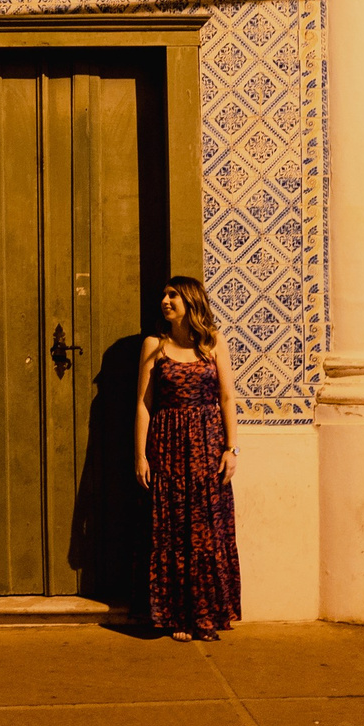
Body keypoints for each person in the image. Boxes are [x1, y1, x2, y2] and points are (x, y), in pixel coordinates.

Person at [135, 274, 241, 641]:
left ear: (191, 301)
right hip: (167, 445)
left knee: (207, 529)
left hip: (208, 445)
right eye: (164, 294)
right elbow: (144, 404)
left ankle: (207, 615)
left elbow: (228, 398)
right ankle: (178, 616)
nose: (165, 300)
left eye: (173, 295)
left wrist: (232, 449)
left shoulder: (213, 344)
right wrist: (141, 455)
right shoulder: (154, 345)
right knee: (173, 530)